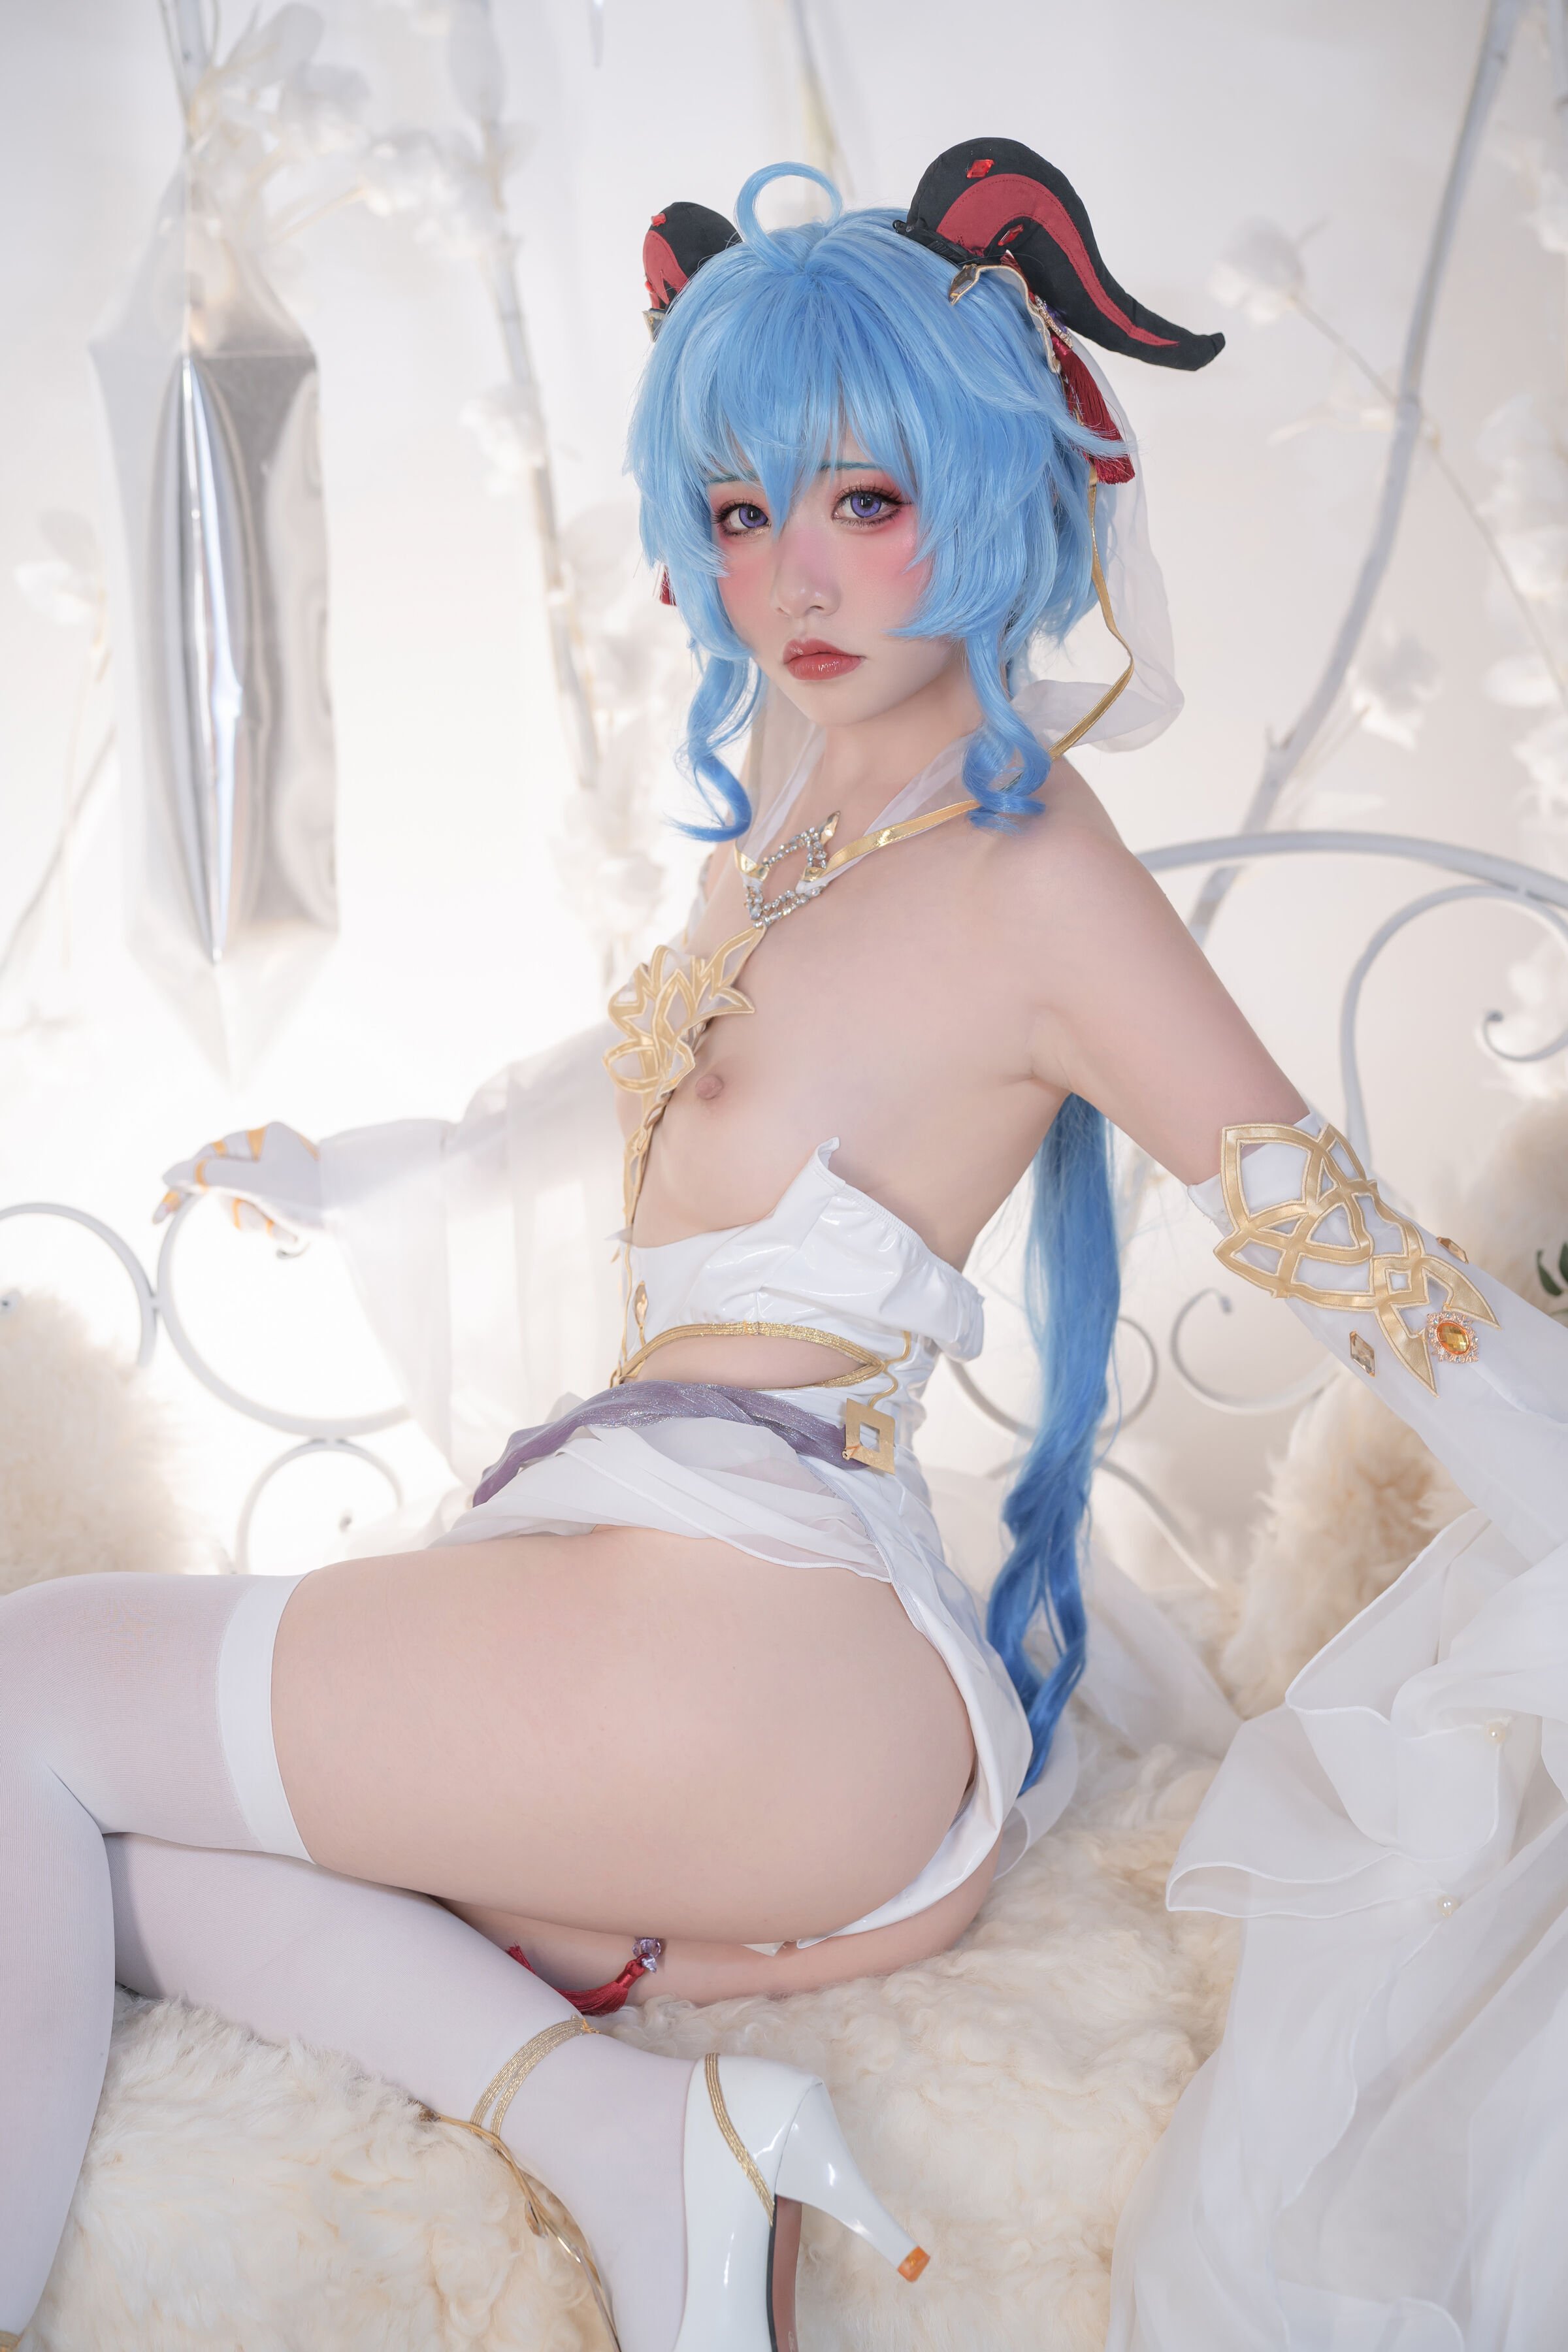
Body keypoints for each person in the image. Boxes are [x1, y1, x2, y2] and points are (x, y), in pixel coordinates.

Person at [7, 139, 1563, 2352]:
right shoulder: (802, 805)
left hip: (773, 1668)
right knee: (140, 1848)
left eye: (864, 499)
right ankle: (645, 2152)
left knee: (27, 1683)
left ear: (993, 483)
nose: (792, 576)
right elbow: (635, 1072)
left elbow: (1345, 1247)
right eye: (740, 513)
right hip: (695, 1625)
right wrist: (358, 1165)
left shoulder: (1039, 872)